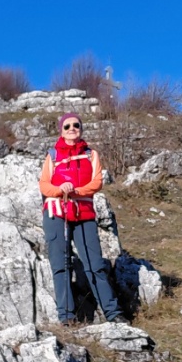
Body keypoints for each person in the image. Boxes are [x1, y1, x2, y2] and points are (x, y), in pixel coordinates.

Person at [39, 112, 126, 325]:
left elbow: (97, 182)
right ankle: (66, 317)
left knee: (94, 264)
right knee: (61, 265)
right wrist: (60, 190)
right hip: (56, 214)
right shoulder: (52, 155)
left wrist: (75, 191)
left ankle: (113, 313)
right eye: (67, 126)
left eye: (76, 125)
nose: (72, 129)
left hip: (83, 214)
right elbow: (44, 185)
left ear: (81, 128)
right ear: (61, 131)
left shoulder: (90, 155)